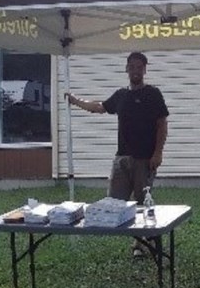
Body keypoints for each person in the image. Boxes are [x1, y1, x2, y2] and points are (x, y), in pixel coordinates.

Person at [67, 51, 169, 258]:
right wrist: (75, 101)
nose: (136, 70)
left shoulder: (153, 94)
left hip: (144, 159)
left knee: (143, 202)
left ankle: (144, 244)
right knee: (114, 200)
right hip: (121, 158)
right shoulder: (121, 96)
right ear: (127, 69)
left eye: (139, 67)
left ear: (144, 70)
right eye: (132, 66)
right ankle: (140, 239)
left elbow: (162, 124)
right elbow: (99, 107)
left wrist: (158, 153)